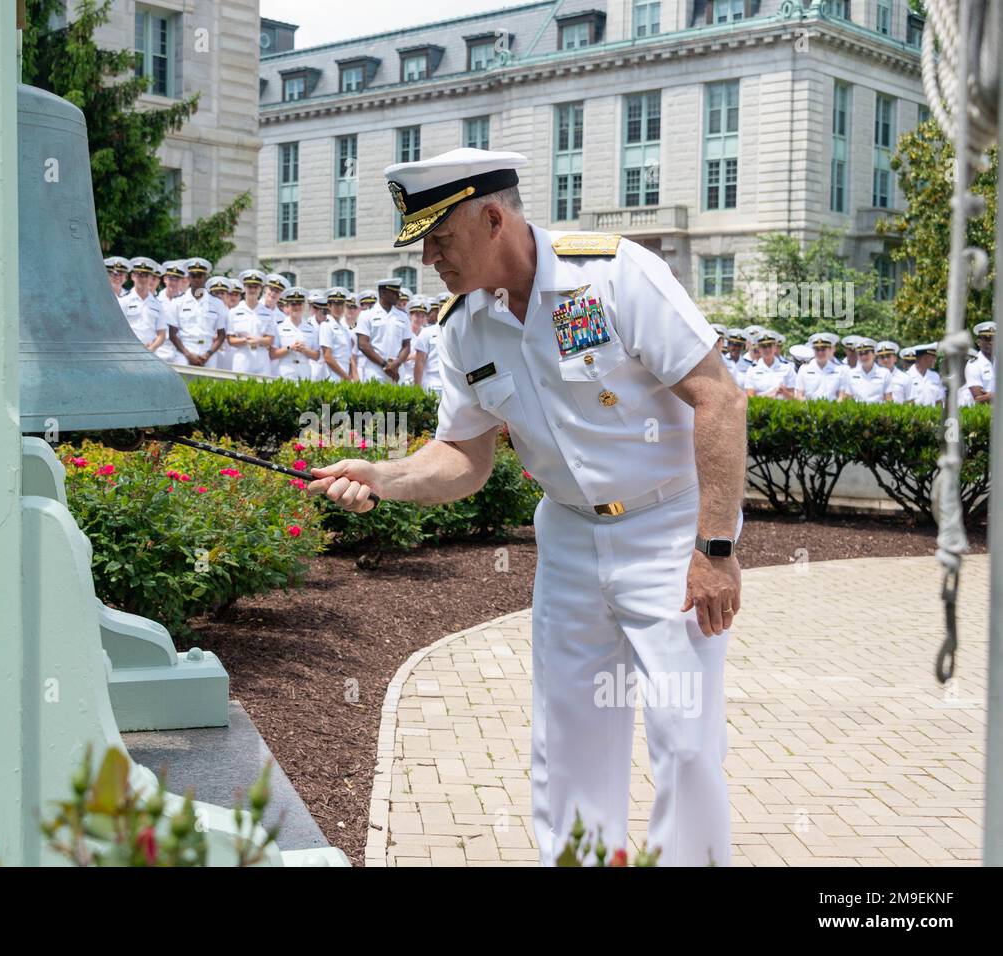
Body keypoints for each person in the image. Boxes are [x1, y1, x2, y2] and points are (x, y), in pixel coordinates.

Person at [308, 148, 744, 867]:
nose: (429, 261)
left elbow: (719, 399)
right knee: (568, 741)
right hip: (571, 539)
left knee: (688, 742)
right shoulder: (463, 328)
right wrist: (381, 476)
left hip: (672, 532)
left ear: (491, 218)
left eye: (439, 240)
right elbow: (464, 459)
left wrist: (715, 549)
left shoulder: (613, 274)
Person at [168, 260, 228, 368]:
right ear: (189, 278)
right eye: (193, 275)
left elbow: (221, 335)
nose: (196, 279)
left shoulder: (217, 303)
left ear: (205, 277)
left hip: (208, 349)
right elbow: (172, 334)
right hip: (185, 349)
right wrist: (188, 354)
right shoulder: (177, 302)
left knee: (209, 384)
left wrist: (208, 354)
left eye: (200, 276)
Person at [225, 269, 275, 376]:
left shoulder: (268, 313)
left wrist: (259, 340)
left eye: (255, 287)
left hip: (261, 355)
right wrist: (245, 341)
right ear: (244, 288)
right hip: (243, 355)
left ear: (260, 289)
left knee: (263, 389)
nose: (252, 290)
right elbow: (230, 339)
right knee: (240, 388)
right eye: (249, 286)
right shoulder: (234, 312)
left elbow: (270, 339)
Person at [122, 257, 168, 358]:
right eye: (139, 275)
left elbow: (162, 334)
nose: (142, 279)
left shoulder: (158, 305)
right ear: (133, 276)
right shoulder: (123, 301)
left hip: (150, 353)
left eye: (146, 275)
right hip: (128, 353)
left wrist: (151, 348)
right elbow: (117, 330)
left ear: (151, 278)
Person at [271, 286, 320, 381]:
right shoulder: (279, 327)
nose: (297, 307)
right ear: (288, 306)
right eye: (293, 304)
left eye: (300, 304)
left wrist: (305, 350)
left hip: (304, 370)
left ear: (304, 306)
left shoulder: (311, 328)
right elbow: (273, 354)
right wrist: (290, 348)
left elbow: (317, 356)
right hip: (286, 370)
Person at [315, 289, 355, 381]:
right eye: (336, 305)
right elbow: (328, 357)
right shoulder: (326, 325)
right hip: (333, 375)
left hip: (344, 374)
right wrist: (346, 377)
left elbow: (348, 357)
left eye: (341, 304)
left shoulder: (344, 329)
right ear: (329, 306)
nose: (339, 308)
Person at [743, 330, 795, 399]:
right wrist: (772, 394)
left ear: (775, 347)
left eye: (770, 346)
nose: (767, 349)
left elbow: (794, 397)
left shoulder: (787, 368)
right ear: (758, 349)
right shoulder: (752, 370)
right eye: (763, 346)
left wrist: (784, 392)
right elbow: (750, 397)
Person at [838, 337, 889, 403]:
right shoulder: (851, 374)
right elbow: (848, 398)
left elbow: (888, 400)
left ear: (874, 354)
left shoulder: (885, 373)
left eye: (866, 353)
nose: (863, 357)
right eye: (860, 354)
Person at [795, 333, 844, 400]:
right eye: (817, 349)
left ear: (830, 350)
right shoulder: (804, 369)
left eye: (823, 349)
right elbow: (799, 395)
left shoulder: (839, 370)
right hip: (809, 408)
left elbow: (841, 396)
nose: (820, 352)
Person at [961, 321, 994, 405]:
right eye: (987, 339)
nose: (991, 342)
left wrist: (989, 395)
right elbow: (978, 398)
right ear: (979, 342)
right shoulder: (974, 364)